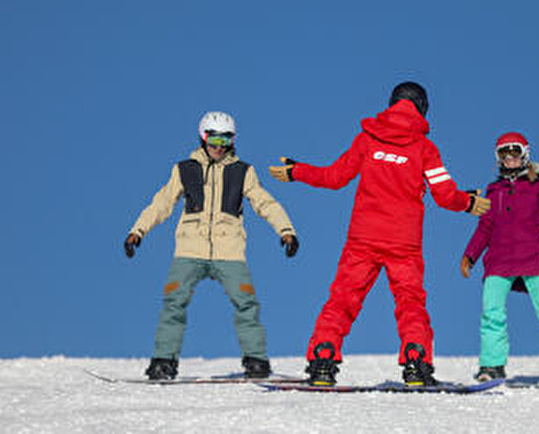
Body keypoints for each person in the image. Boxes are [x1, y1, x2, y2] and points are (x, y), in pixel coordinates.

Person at [269, 82, 491, 387]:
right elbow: (444, 194)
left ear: (391, 103)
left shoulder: (368, 140)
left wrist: (298, 171)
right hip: (404, 242)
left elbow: (334, 177)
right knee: (410, 303)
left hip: (363, 238)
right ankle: (416, 364)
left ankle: (322, 359)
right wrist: (467, 202)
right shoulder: (424, 148)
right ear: (423, 108)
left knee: (342, 300)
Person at [124, 111, 299, 380]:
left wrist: (286, 231)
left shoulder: (243, 172)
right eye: (214, 139)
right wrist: (138, 231)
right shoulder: (184, 169)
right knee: (174, 302)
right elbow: (162, 203)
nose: (219, 147)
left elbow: (265, 203)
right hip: (189, 250)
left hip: (229, 251)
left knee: (246, 304)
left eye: (226, 140)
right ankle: (163, 361)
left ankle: (256, 361)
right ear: (203, 137)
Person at [460, 131, 539, 383]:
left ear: (525, 154)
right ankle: (492, 365)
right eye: (503, 153)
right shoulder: (494, 192)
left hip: (533, 259)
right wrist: (470, 255)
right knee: (491, 313)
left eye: (514, 152)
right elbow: (484, 228)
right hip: (498, 261)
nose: (509, 158)